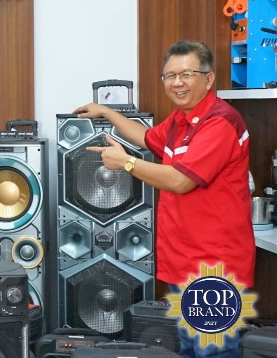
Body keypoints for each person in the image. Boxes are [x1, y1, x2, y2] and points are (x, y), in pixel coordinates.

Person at [73, 40, 254, 358]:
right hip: (182, 261)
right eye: (170, 76)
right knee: (190, 349)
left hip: (214, 267)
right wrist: (107, 112)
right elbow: (146, 137)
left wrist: (126, 163)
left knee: (213, 352)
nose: (177, 83)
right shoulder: (181, 120)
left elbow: (181, 181)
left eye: (187, 74)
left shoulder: (219, 122)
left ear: (208, 79)